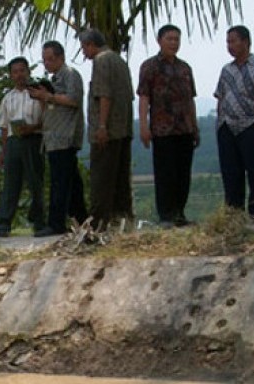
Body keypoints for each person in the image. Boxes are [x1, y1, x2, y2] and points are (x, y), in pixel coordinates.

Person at [137, 24, 199, 228]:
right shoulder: (150, 66)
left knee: (183, 174)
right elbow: (144, 97)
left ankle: (179, 213)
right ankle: (166, 215)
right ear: (159, 40)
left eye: (176, 39)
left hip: (184, 128)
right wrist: (144, 126)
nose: (174, 43)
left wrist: (195, 127)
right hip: (162, 129)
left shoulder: (185, 68)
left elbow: (190, 99)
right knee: (165, 174)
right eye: (169, 39)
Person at [214, 25, 254, 222]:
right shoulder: (226, 70)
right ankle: (233, 213)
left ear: (246, 42)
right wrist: (220, 121)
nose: (230, 46)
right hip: (227, 125)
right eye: (227, 42)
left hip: (249, 124)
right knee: (231, 172)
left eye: (233, 41)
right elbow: (220, 96)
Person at [28, 40, 88, 237]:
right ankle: (81, 219)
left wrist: (49, 97)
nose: (47, 64)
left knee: (60, 182)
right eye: (44, 60)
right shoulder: (53, 79)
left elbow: (73, 100)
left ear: (61, 57)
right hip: (53, 136)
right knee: (72, 183)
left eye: (51, 59)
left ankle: (56, 223)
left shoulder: (70, 75)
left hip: (65, 136)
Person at [79, 29, 135, 231]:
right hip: (123, 129)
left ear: (90, 44)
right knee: (120, 181)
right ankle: (123, 223)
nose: (84, 53)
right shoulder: (119, 61)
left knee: (101, 181)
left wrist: (102, 126)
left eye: (84, 48)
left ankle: (98, 224)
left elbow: (104, 94)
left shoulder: (101, 61)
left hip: (107, 131)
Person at [0, 57, 45, 237]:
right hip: (14, 141)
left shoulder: (38, 93)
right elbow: (4, 126)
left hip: (34, 139)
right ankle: (3, 224)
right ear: (11, 75)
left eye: (22, 71)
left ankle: (39, 222)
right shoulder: (8, 98)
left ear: (28, 71)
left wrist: (32, 128)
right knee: (11, 184)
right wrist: (4, 150)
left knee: (35, 182)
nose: (19, 75)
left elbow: (47, 119)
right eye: (15, 72)